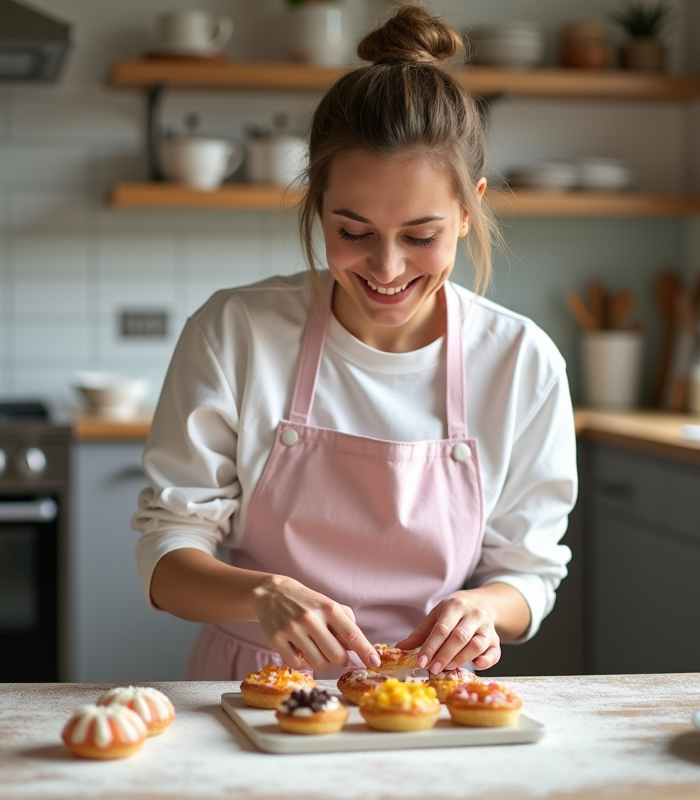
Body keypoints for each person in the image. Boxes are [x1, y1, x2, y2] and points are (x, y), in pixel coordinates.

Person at [132, 4, 576, 680]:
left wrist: (485, 608)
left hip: (426, 697)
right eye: (353, 231)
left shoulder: (521, 361)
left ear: (468, 209)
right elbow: (168, 558)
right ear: (316, 204)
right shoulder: (236, 333)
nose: (388, 268)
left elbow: (529, 575)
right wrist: (262, 593)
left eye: (421, 236)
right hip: (252, 686)